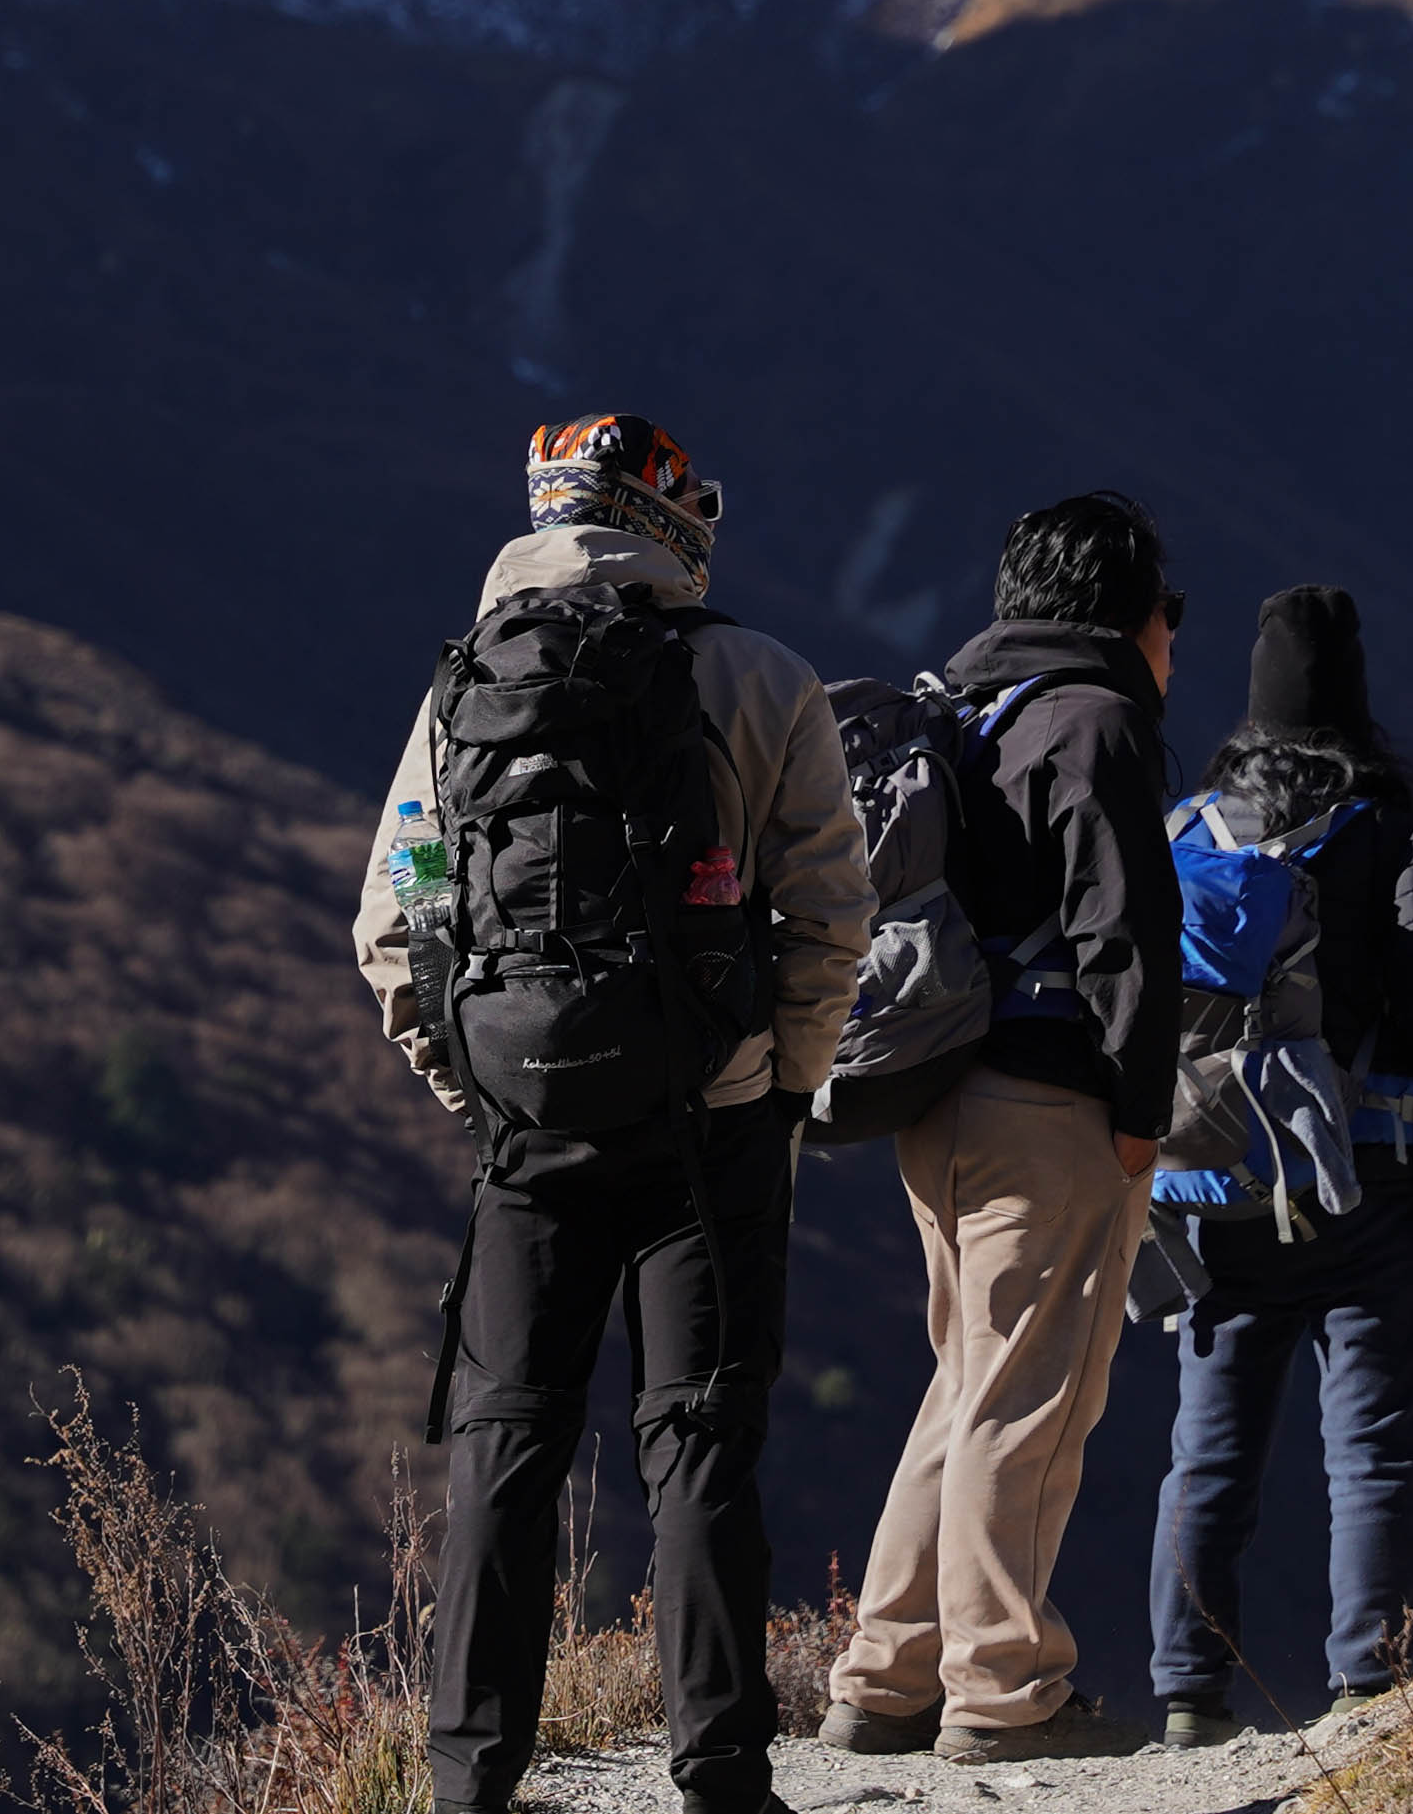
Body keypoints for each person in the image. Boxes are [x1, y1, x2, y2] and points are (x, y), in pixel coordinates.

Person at [355, 413, 873, 1814]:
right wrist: (778, 1080)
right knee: (699, 1445)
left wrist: (481, 1083)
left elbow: (391, 926)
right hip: (708, 1132)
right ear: (670, 523)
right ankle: (718, 1778)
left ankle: (469, 1782)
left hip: (526, 1139)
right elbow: (833, 912)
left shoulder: (464, 687)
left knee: (506, 1442)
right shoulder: (763, 678)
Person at [827, 490, 1187, 1767]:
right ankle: (1004, 1688)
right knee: (1028, 1400)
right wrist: (1143, 1115)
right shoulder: (1096, 724)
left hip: (935, 1094)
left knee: (966, 1384)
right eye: (1169, 611)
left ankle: (885, 1671)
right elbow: (1129, 938)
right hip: (1050, 1105)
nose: (1173, 638)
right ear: (1126, 610)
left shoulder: (964, 712)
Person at [1142, 584, 1413, 1743]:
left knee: (1209, 1450)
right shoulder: (1379, 823)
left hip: (1208, 1176)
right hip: (1360, 1172)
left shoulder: (1185, 826)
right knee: (1373, 1443)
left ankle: (1188, 1690)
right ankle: (1364, 1683)